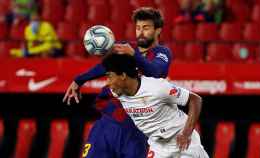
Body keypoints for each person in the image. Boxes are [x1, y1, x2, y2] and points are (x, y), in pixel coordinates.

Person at [63, 7, 172, 158]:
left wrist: (134, 55)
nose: (140, 32)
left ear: (158, 30)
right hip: (108, 123)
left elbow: (156, 72)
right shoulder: (126, 48)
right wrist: (78, 80)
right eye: (138, 27)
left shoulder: (161, 53)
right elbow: (104, 66)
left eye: (146, 28)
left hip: (136, 130)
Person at [102, 53, 209, 158]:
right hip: (158, 146)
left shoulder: (157, 88)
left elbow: (195, 100)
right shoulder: (117, 92)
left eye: (110, 77)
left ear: (123, 75)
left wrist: (186, 133)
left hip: (182, 140)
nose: (107, 83)